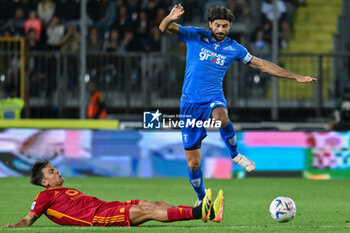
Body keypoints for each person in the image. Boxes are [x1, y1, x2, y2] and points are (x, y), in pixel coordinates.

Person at [159, 4, 317, 205]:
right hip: (189, 105)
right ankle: (202, 200)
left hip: (213, 99)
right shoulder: (195, 36)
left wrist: (295, 77)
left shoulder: (234, 48)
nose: (221, 30)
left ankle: (235, 155)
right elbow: (164, 28)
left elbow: (261, 65)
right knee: (193, 163)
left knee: (221, 117)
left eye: (225, 26)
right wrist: (169, 17)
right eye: (217, 25)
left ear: (230, 26)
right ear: (210, 24)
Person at [1, 160, 224, 227]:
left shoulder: (65, 190)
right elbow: (29, 219)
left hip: (107, 206)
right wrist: (12, 227)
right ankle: (198, 212)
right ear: (44, 182)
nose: (57, 171)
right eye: (51, 171)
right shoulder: (44, 197)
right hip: (98, 217)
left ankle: (208, 213)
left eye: (55, 168)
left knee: (153, 202)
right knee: (147, 210)